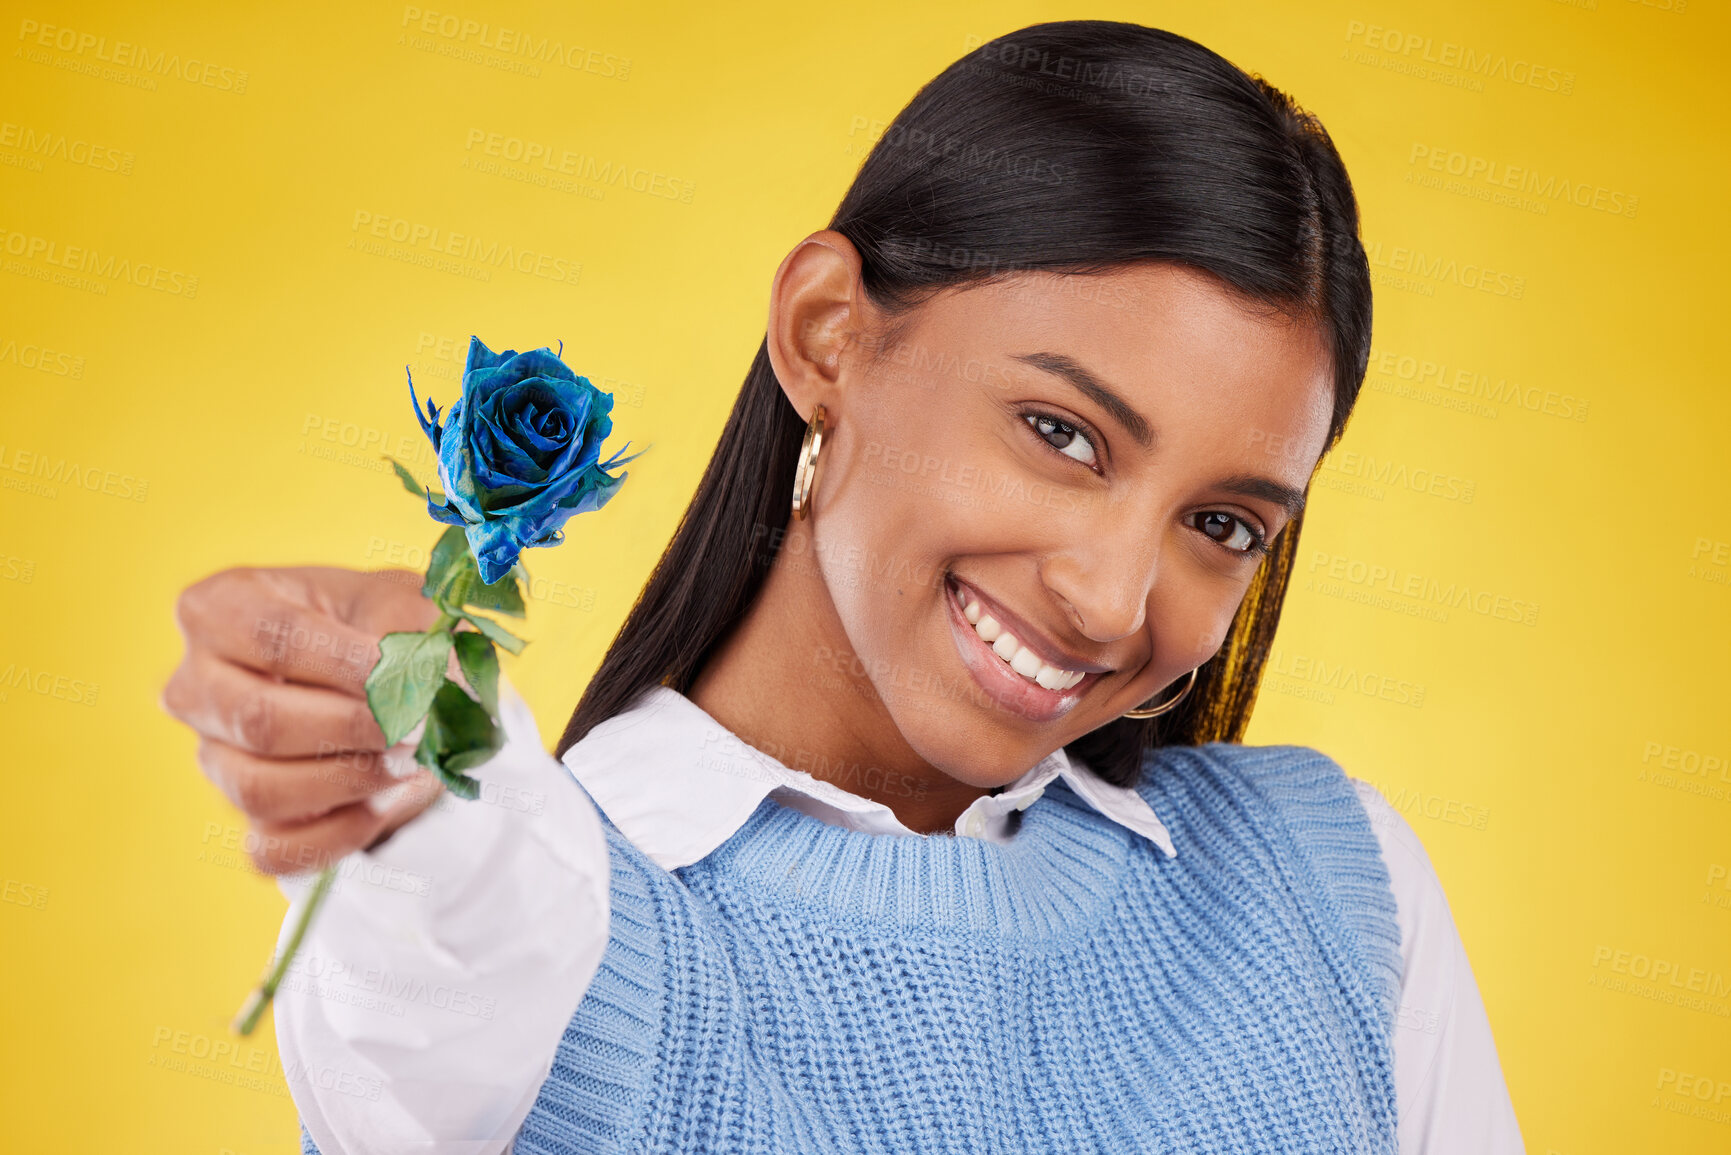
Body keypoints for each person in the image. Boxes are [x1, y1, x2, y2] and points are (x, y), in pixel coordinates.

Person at [161, 20, 1525, 1155]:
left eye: (1221, 523)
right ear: (827, 336)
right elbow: (462, 913)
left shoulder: (1332, 885)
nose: (1114, 601)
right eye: (1062, 434)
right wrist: (413, 739)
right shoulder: (572, 950)